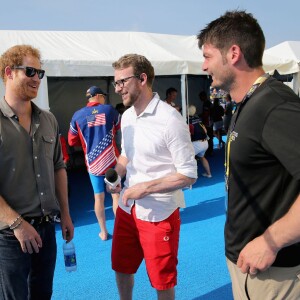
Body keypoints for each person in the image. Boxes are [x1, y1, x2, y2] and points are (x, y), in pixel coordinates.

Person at [197, 10, 300, 299]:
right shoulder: (247, 103)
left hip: (275, 275)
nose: (204, 66)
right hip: (248, 267)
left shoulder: (276, 105)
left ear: (233, 53)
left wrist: (271, 241)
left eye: (207, 56)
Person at [108, 54, 197, 300]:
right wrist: (116, 174)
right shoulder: (126, 117)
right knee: (121, 266)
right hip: (128, 208)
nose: (118, 89)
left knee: (161, 279)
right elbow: (127, 155)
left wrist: (144, 188)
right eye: (116, 83)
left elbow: (189, 174)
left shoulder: (170, 119)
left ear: (143, 78)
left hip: (160, 213)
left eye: (122, 82)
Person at [0, 44, 74, 300]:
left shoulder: (49, 120)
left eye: (40, 73)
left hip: (46, 231)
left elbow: (58, 167)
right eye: (30, 71)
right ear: (9, 72)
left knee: (43, 295)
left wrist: (65, 213)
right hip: (9, 236)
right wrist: (17, 224)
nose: (36, 78)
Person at [68, 86, 120, 241]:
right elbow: (119, 127)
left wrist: (87, 142)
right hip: (111, 159)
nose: (104, 98)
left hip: (93, 162)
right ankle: (119, 229)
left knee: (99, 198)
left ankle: (103, 232)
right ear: (97, 96)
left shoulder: (78, 115)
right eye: (103, 95)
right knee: (116, 195)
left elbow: (71, 140)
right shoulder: (109, 110)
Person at [188, 105, 212, 178]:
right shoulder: (198, 118)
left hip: (197, 143)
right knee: (202, 157)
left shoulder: (187, 120)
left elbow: (188, 133)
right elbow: (205, 130)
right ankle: (209, 174)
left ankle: (193, 177)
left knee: (189, 159)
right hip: (205, 142)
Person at [199, 91, 214, 156]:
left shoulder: (206, 103)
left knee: (208, 137)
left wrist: (201, 116)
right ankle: (210, 150)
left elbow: (206, 113)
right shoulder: (208, 103)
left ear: (203, 96)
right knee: (209, 137)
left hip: (208, 122)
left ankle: (209, 151)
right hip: (210, 122)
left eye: (200, 97)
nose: (200, 98)